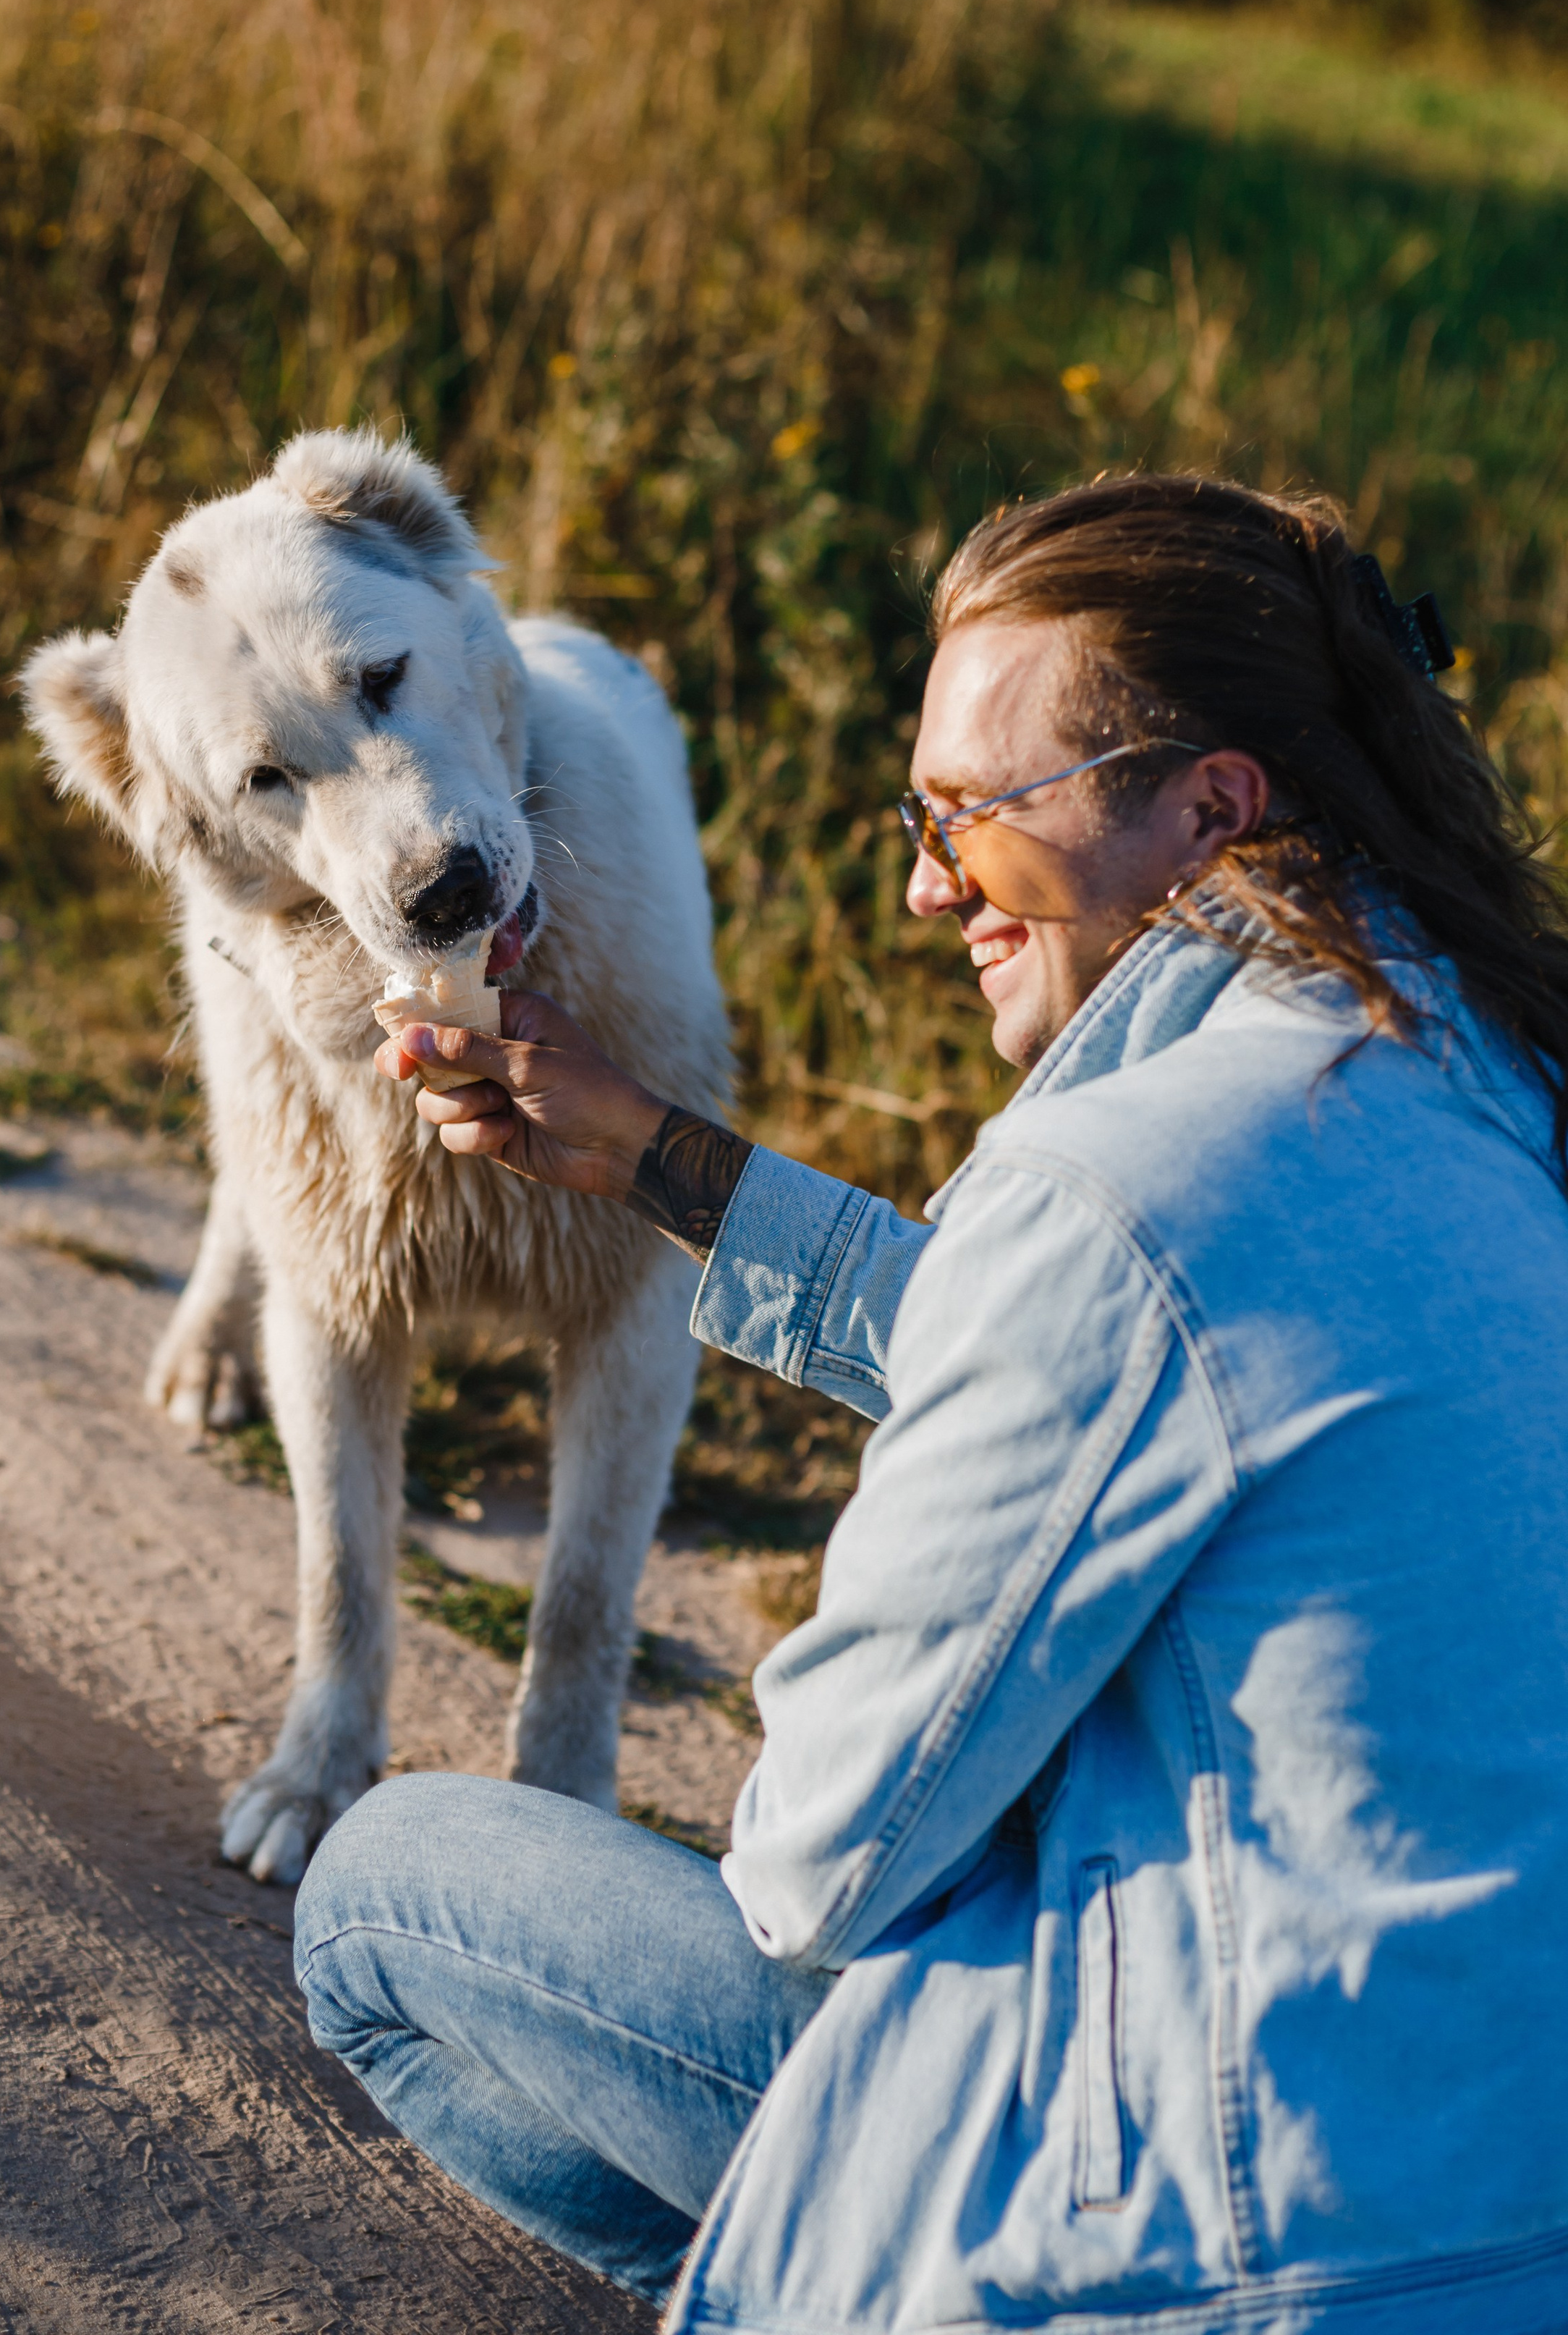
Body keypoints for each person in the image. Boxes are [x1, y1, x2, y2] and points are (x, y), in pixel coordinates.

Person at [292, 473, 1568, 2335]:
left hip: (1222, 2244)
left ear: (1208, 809)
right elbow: (1129, 1367)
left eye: (967, 814)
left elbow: (817, 1858)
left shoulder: (1132, 1187)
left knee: (387, 1886)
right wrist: (669, 1166)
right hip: (1493, 2216)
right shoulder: (1485, 1088)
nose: (917, 880)